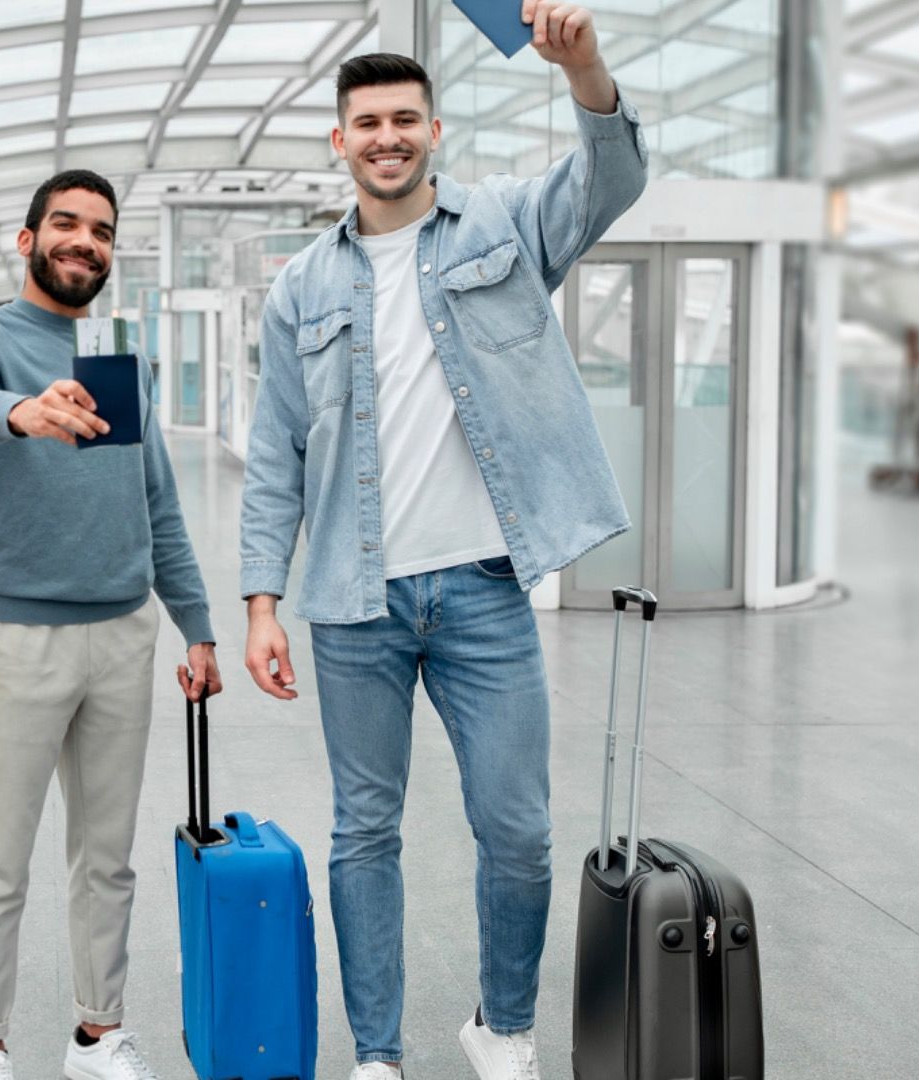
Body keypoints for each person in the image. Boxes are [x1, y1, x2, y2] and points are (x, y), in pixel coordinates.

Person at [236, 3, 647, 1078]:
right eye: (366, 122)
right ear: (340, 139)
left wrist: (586, 68)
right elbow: (275, 452)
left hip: (480, 591)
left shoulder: (506, 225)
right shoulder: (302, 287)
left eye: (405, 118)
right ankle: (377, 1054)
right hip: (351, 601)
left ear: (434, 130)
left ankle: (502, 1027)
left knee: (517, 831)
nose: (387, 137)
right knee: (363, 834)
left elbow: (611, 181)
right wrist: (259, 600)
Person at [0, 168, 222, 1080]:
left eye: (100, 231)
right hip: (20, 639)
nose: (84, 242)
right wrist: (27, 412)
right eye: (65, 224)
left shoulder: (120, 359)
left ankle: (98, 1032)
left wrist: (199, 627)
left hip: (122, 637)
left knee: (108, 859)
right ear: (27, 240)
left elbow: (158, 505)